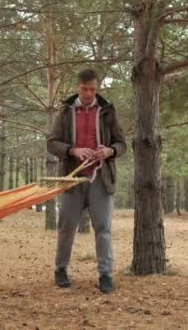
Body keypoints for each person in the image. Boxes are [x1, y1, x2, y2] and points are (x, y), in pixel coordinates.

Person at [47, 68, 127, 293]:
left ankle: (105, 275)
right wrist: (73, 150)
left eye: (93, 89)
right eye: (84, 89)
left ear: (97, 88)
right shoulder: (65, 112)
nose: (89, 93)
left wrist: (109, 151)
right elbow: (52, 143)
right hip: (72, 179)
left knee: (103, 228)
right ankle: (61, 270)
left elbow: (122, 144)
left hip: (100, 179)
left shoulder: (108, 112)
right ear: (77, 88)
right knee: (66, 227)